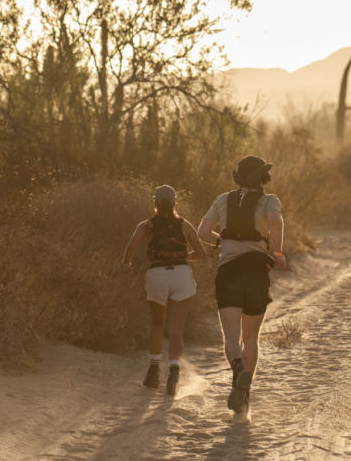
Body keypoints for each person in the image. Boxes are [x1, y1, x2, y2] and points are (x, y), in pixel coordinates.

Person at [198, 156, 286, 415]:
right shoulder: (269, 200)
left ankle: (237, 371)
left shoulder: (222, 199)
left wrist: (221, 244)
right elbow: (276, 221)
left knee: (231, 336)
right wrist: (279, 252)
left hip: (229, 271)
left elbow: (202, 233)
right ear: (263, 179)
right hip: (257, 270)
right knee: (251, 338)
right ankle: (245, 399)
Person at [122, 185, 208, 396]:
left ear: (155, 203)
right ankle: (174, 374)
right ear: (175, 203)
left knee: (157, 324)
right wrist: (181, 257)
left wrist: (126, 263)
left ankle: (153, 373)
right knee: (176, 330)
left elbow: (132, 245)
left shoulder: (146, 225)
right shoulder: (184, 225)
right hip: (180, 274)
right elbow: (202, 253)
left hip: (156, 274)